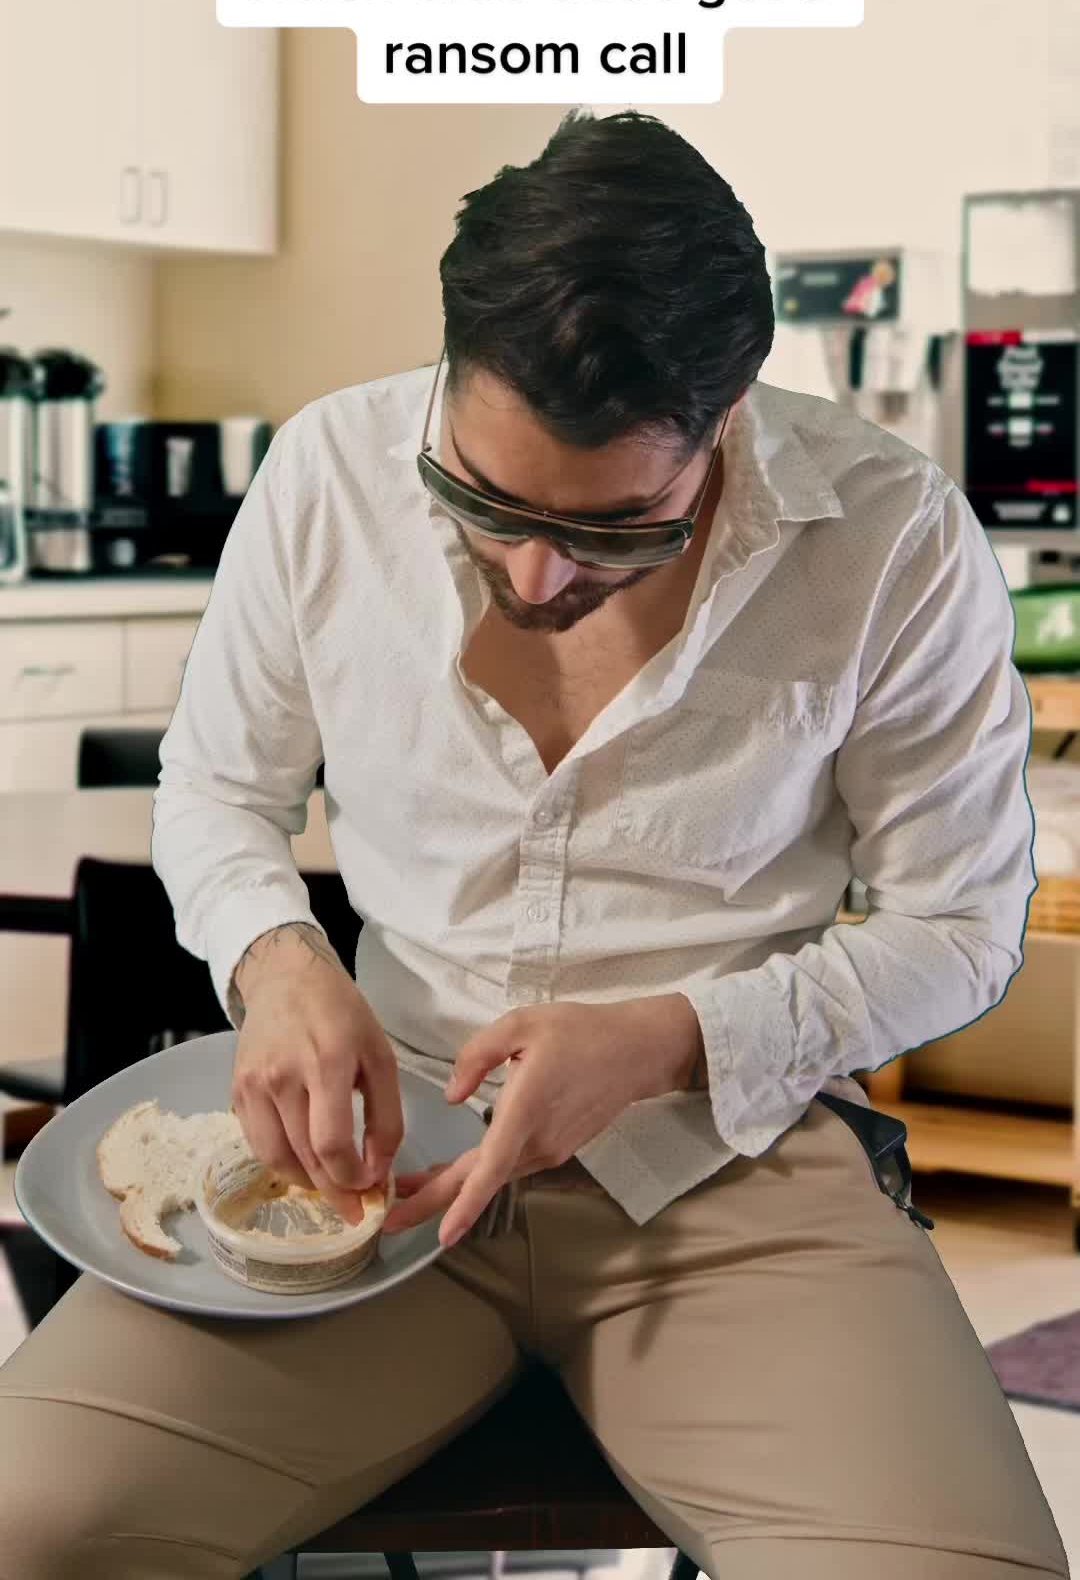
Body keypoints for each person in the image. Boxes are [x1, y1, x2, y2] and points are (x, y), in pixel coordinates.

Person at [0, 110, 1068, 1580]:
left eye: (617, 530)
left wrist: (671, 1039)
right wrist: (281, 964)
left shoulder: (895, 541)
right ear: (449, 371)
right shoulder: (328, 475)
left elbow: (961, 927)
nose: (535, 569)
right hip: (375, 1169)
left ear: (727, 417)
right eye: (482, 500)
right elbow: (215, 789)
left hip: (731, 1175)